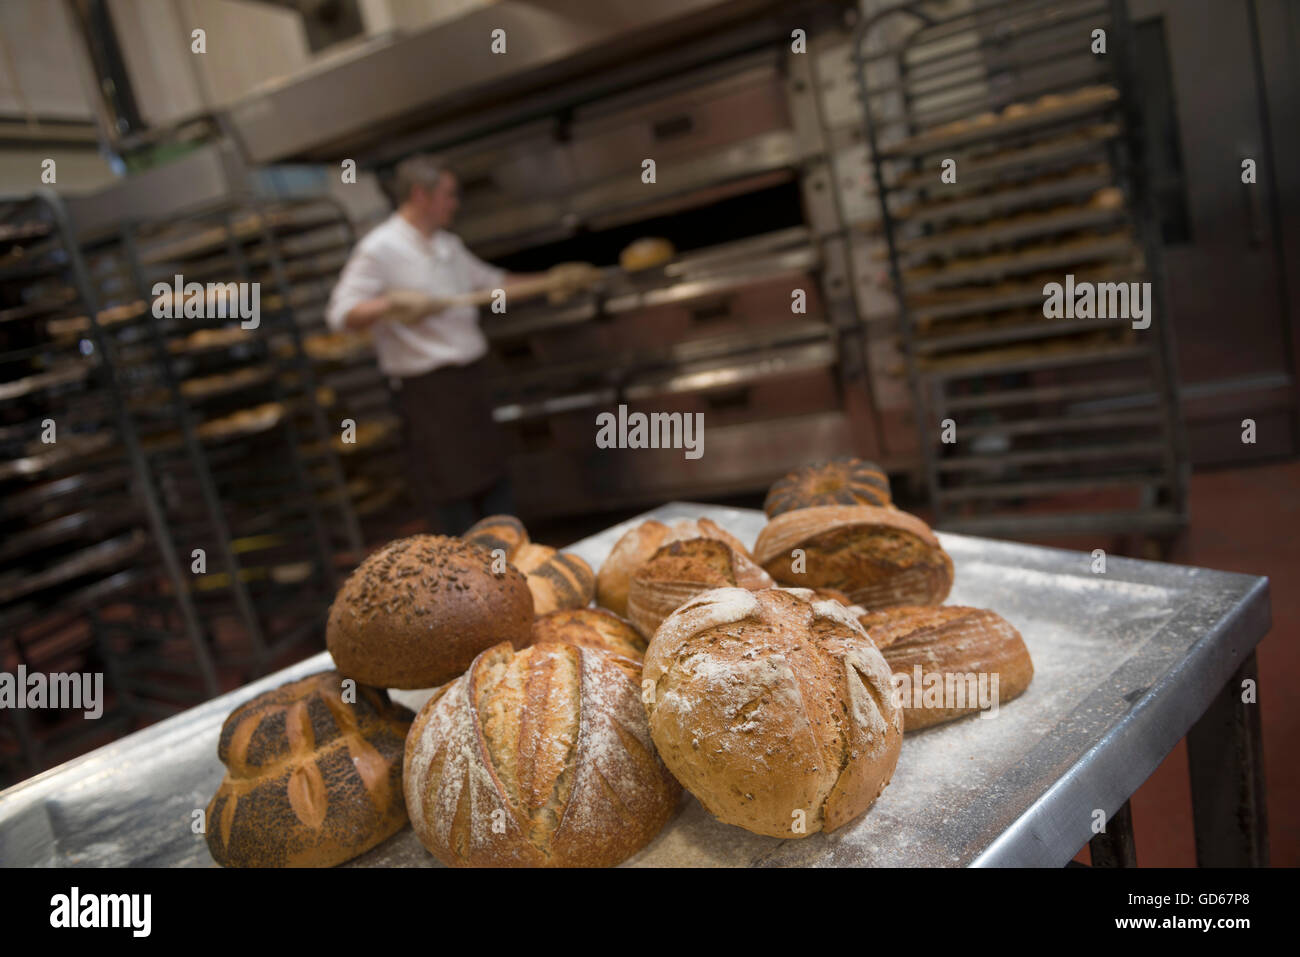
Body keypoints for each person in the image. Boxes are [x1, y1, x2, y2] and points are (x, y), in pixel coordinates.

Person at [325, 155, 593, 534]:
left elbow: (491, 285)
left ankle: (508, 562)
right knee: (452, 491)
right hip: (428, 391)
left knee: (492, 478)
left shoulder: (446, 245)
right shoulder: (380, 248)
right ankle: (464, 579)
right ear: (421, 195)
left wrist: (549, 281)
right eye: (449, 195)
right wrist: (391, 304)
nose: (455, 204)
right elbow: (340, 313)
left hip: (470, 380)